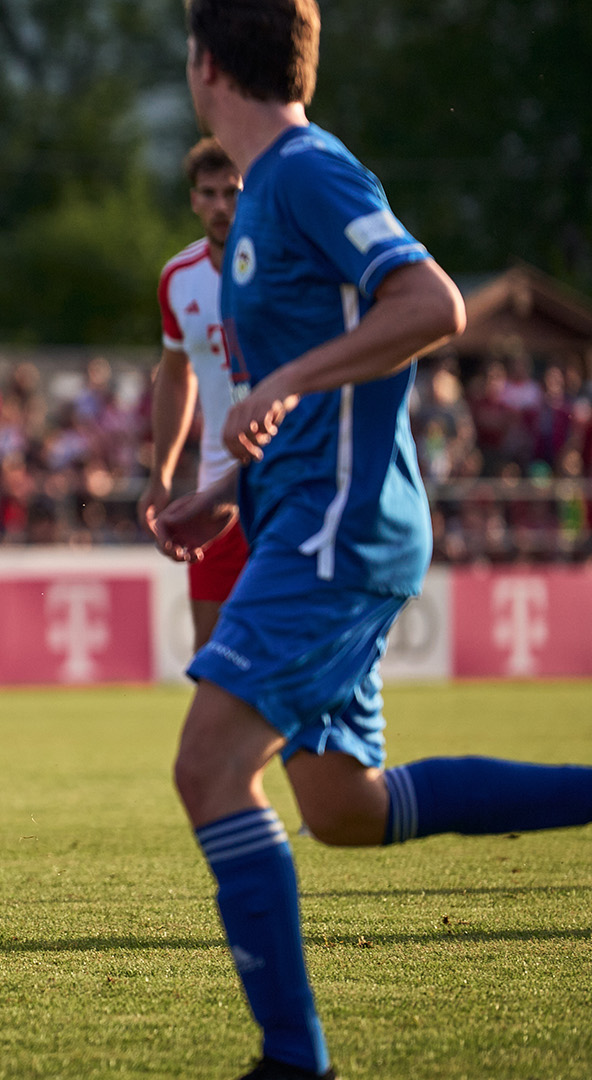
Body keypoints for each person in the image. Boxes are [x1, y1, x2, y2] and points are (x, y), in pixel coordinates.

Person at [160, 3, 592, 1077]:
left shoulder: (307, 172)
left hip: (337, 532)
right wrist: (229, 484)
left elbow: (433, 303)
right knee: (345, 810)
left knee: (209, 771)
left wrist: (288, 382)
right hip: (301, 519)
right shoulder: (264, 194)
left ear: (208, 64)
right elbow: (329, 379)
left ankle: (292, 1063)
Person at [141, 138, 246, 650]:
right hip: (215, 496)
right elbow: (177, 375)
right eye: (211, 193)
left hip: (291, 488)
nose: (223, 205)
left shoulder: (286, 269)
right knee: (213, 659)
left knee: (294, 661)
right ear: (194, 200)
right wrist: (162, 474)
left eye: (234, 191)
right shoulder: (178, 278)